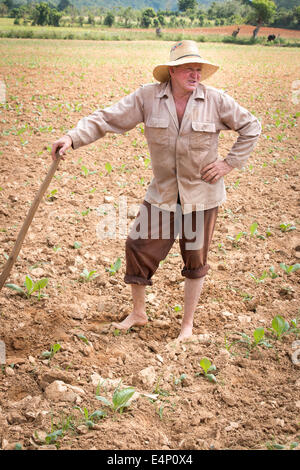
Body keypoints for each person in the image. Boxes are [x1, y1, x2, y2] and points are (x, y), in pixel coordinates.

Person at [51, 40, 261, 341]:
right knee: (138, 246)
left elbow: (251, 126)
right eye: (189, 68)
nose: (196, 74)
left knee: (195, 259)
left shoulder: (216, 100)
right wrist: (72, 138)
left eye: (199, 69)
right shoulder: (147, 97)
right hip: (162, 193)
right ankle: (138, 313)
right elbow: (107, 118)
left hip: (202, 195)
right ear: (172, 71)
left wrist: (229, 163)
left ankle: (187, 326)